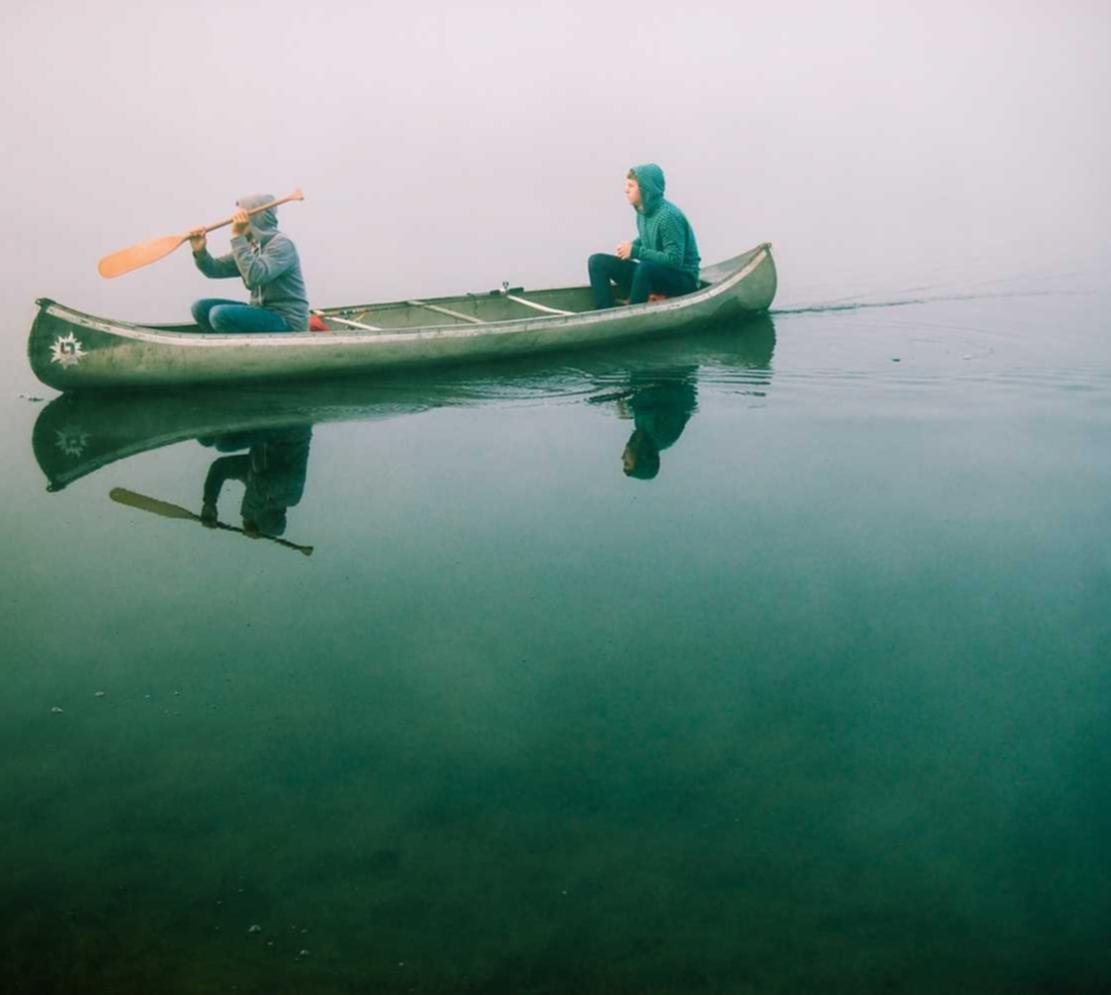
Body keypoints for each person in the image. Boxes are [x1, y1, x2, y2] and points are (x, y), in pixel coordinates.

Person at [188, 194, 309, 333]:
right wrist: (200, 252)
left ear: (255, 219)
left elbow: (255, 276)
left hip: (287, 320)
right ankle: (224, 347)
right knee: (200, 308)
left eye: (240, 218)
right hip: (261, 312)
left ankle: (236, 349)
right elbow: (214, 270)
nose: (234, 223)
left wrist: (237, 237)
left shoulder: (282, 244)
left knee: (219, 315)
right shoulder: (252, 246)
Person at [588, 164, 701, 310]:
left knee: (645, 268)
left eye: (631, 186)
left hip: (683, 280)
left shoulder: (669, 216)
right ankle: (603, 312)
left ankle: (631, 315)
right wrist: (630, 248)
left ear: (645, 189)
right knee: (597, 261)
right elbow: (648, 238)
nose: (626, 190)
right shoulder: (642, 212)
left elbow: (674, 260)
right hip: (656, 273)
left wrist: (635, 251)